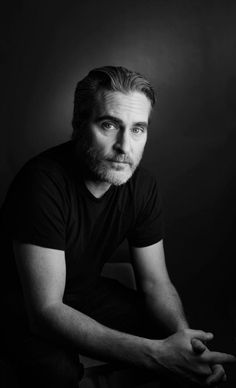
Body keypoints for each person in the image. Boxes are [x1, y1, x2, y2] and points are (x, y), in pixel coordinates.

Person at [0, 66, 235, 388]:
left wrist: (186, 343)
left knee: (166, 333)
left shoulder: (142, 186)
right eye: (109, 125)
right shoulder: (41, 183)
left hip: (84, 291)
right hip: (22, 303)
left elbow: (156, 283)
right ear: (79, 124)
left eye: (138, 129)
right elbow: (46, 310)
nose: (125, 146)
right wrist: (156, 354)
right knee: (57, 374)